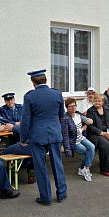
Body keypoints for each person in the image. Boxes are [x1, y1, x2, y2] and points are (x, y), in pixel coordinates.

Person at [20, 69, 67, 206]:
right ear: (46, 80)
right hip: (54, 134)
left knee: (40, 167)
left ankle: (45, 198)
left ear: (33, 82)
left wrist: (23, 138)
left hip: (37, 136)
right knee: (57, 164)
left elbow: (26, 120)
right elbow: (61, 115)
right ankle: (61, 194)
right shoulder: (57, 94)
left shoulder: (29, 96)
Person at [61, 98, 95, 182]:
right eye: (70, 106)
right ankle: (84, 170)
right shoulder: (65, 119)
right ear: (66, 107)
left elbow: (87, 120)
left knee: (92, 147)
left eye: (74, 105)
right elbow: (65, 135)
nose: (73, 108)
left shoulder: (78, 114)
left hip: (81, 138)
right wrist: (82, 129)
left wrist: (89, 120)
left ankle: (85, 169)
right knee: (88, 152)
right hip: (73, 141)